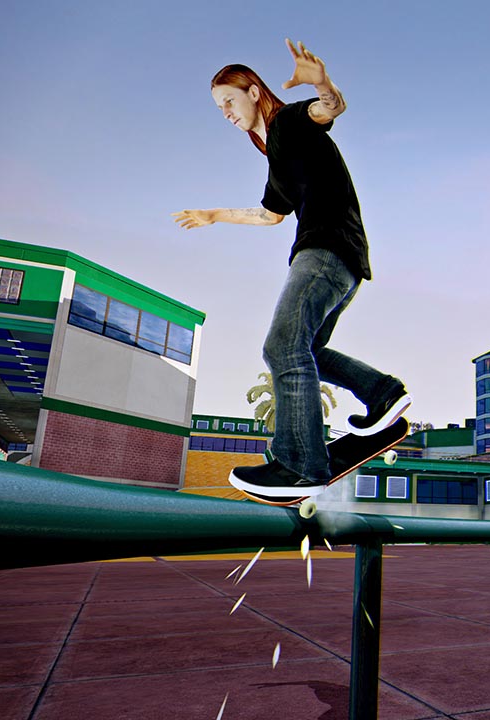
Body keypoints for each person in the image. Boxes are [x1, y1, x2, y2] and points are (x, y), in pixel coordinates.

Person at [173, 39, 410, 501]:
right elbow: (271, 215)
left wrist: (321, 82)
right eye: (219, 108)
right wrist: (214, 214)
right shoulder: (280, 154)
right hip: (343, 262)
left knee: (282, 347)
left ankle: (300, 465)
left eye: (229, 101)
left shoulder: (287, 123)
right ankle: (383, 393)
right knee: (307, 350)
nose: (226, 113)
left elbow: (329, 108)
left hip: (324, 254)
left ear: (254, 92)